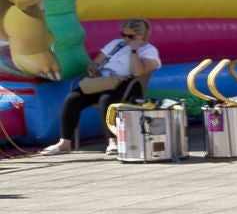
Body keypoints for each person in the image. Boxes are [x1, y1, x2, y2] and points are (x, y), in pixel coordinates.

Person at [41, 19, 159, 156]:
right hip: (103, 81)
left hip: (128, 85)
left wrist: (133, 50)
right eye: (123, 34)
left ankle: (113, 141)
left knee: (106, 100)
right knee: (72, 99)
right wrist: (93, 70)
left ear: (141, 35)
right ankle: (65, 143)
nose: (125, 38)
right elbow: (95, 62)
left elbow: (138, 73)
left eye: (130, 36)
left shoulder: (149, 50)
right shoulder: (116, 44)